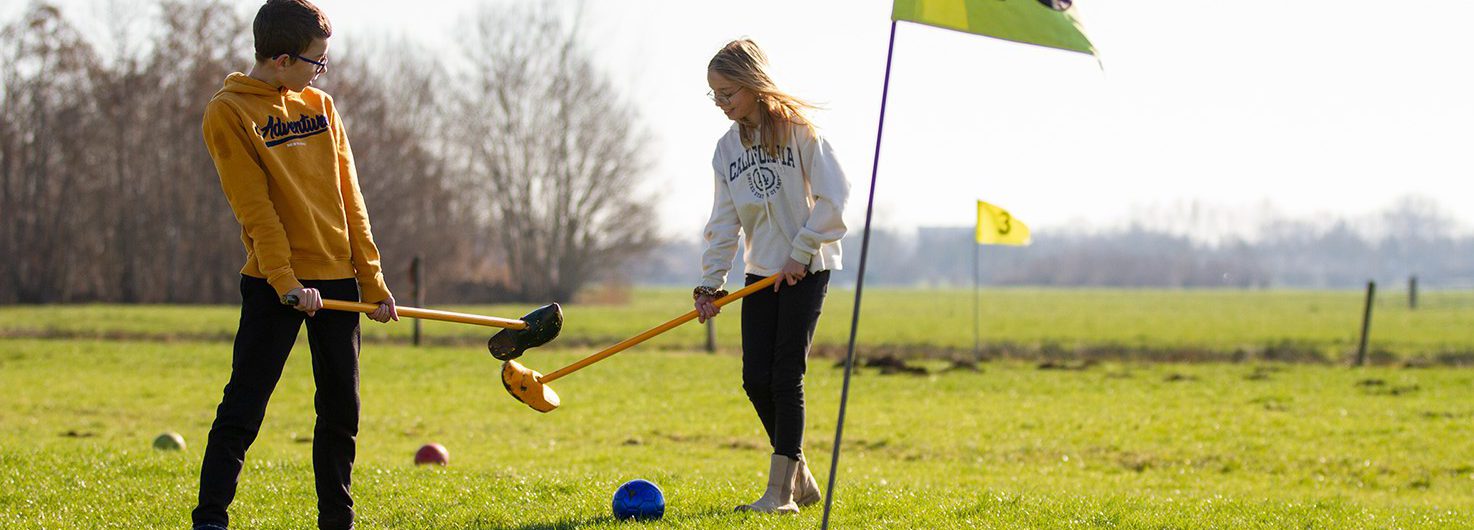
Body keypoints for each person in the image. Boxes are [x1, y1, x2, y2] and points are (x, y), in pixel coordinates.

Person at [192, 1, 397, 528]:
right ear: (281, 60)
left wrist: (372, 280)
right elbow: (254, 206)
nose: (320, 71)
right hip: (275, 283)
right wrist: (286, 281)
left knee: (340, 412)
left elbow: (351, 198)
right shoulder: (230, 111)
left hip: (338, 279)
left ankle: (337, 519)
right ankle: (211, 517)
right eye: (315, 61)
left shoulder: (322, 107)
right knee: (244, 406)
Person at [696, 38, 851, 515]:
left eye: (728, 94)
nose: (721, 105)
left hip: (807, 270)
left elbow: (834, 199)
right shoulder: (726, 151)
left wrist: (802, 252)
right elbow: (725, 222)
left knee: (786, 375)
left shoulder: (800, 131)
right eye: (714, 96)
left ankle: (779, 494)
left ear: (752, 84)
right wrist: (709, 282)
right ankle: (799, 474)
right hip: (761, 273)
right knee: (754, 378)